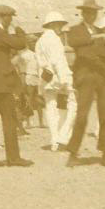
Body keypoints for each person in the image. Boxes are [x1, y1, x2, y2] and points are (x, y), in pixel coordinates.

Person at [65, 0, 105, 167]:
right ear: (82, 14)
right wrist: (95, 36)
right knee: (82, 116)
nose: (91, 15)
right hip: (86, 77)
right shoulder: (75, 30)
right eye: (88, 12)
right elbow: (74, 43)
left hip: (103, 78)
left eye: (94, 13)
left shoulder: (99, 31)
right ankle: (73, 153)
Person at [0, 5, 34, 168]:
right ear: (4, 17)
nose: (11, 21)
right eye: (10, 18)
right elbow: (19, 44)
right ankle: (13, 158)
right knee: (9, 121)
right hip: (2, 85)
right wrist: (20, 31)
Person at [35, 11, 76, 151]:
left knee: (51, 109)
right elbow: (57, 61)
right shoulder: (54, 39)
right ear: (52, 24)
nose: (61, 28)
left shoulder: (40, 41)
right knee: (71, 105)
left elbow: (40, 62)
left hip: (46, 78)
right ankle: (63, 136)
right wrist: (65, 80)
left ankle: (55, 141)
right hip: (59, 78)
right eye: (59, 25)